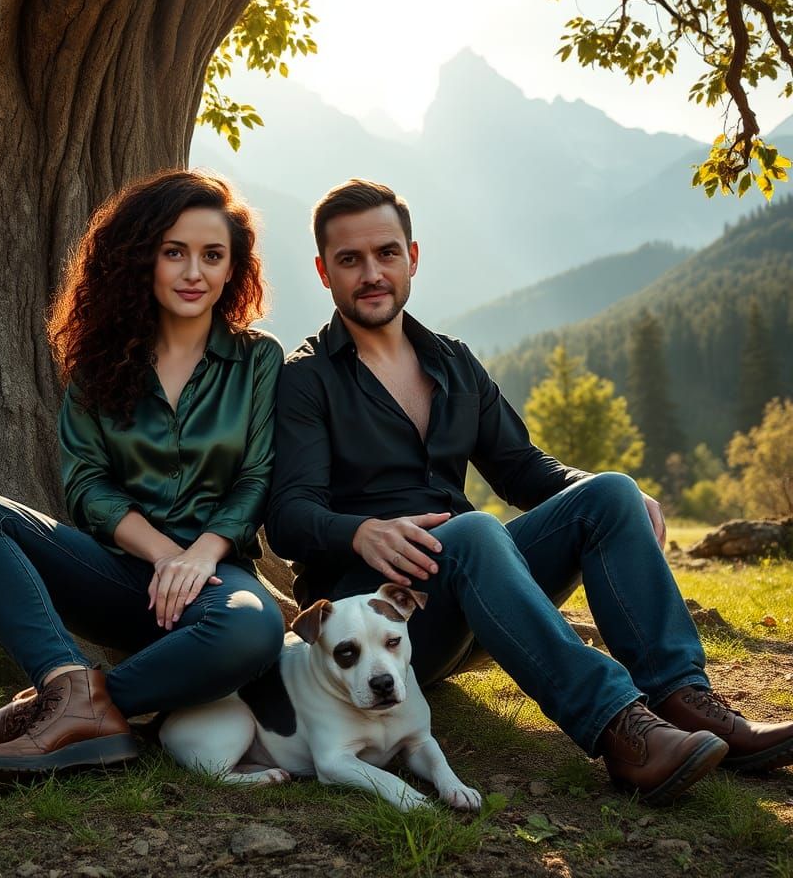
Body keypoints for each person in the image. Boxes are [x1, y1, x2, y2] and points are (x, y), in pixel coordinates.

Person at [265, 178, 793, 805]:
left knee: (609, 493)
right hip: (380, 630)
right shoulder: (306, 379)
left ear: (413, 256)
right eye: (350, 260)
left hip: (478, 590)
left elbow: (525, 471)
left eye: (386, 253)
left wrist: (599, 488)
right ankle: (620, 729)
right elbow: (288, 517)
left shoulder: (454, 362)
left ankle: (684, 703)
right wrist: (358, 531)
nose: (371, 272)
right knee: (476, 529)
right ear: (325, 273)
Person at [0, 169, 285, 781]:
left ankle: (64, 709)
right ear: (142, 259)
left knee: (255, 629)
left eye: (212, 255)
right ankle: (65, 687)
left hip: (217, 582)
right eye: (174, 252)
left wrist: (199, 557)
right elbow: (86, 487)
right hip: (116, 577)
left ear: (234, 269)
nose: (193, 272)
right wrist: (164, 555)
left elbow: (256, 478)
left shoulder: (259, 359)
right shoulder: (98, 365)